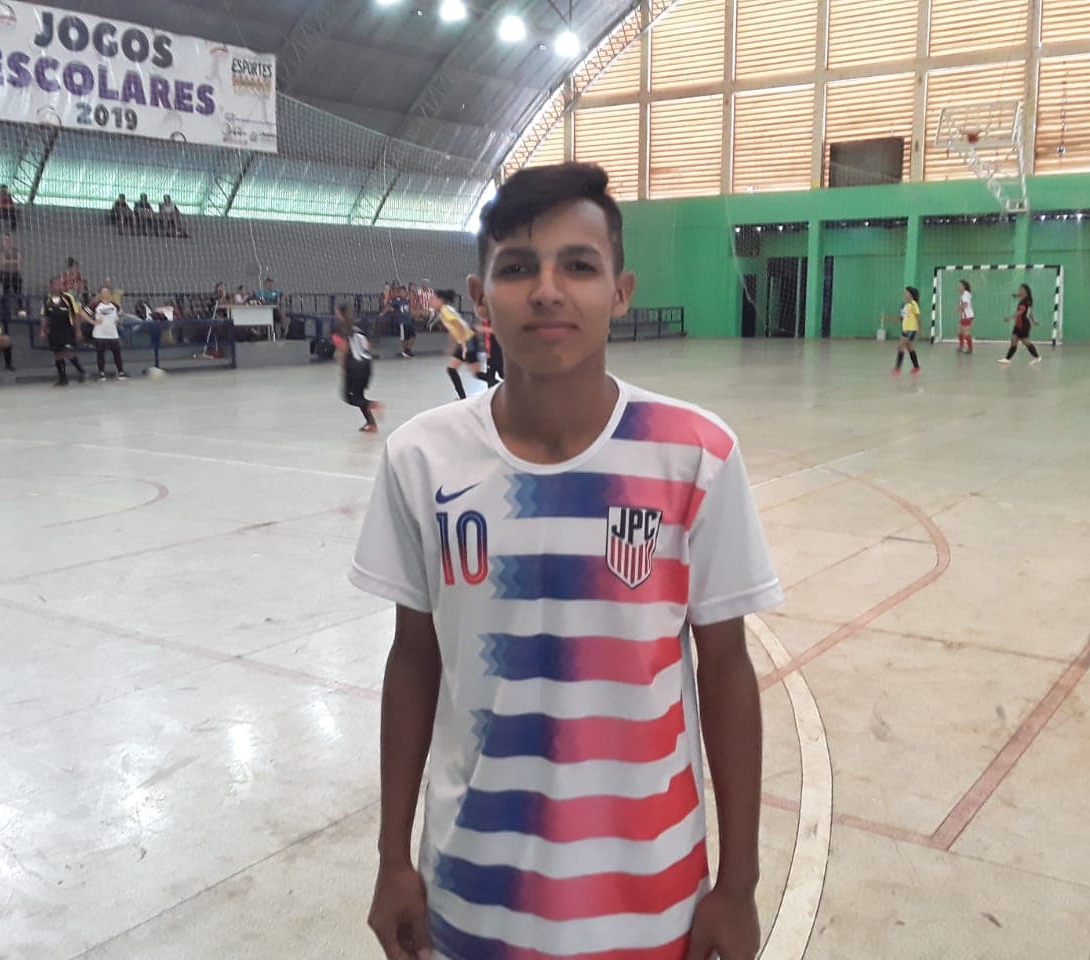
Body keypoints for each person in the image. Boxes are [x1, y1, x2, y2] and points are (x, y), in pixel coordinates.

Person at [351, 162, 782, 960]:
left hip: (653, 902)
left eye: (578, 266)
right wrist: (390, 859)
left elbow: (726, 669)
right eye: (518, 268)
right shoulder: (421, 458)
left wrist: (739, 884)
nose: (547, 291)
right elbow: (414, 658)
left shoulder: (695, 454)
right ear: (480, 298)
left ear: (621, 291)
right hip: (473, 896)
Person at [332, 303, 382, 432]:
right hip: (366, 364)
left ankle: (372, 404)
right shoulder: (357, 328)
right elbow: (368, 345)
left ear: (338, 313)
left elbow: (343, 348)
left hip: (354, 366)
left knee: (348, 397)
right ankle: (371, 423)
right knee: (359, 395)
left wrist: (343, 366)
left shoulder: (338, 328)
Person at [40, 275, 87, 386]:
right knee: (58, 354)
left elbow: (75, 314)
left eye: (61, 284)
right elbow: (44, 316)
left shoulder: (68, 298)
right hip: (54, 330)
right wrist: (42, 330)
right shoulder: (47, 300)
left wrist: (78, 330)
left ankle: (81, 370)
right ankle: (63, 379)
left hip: (67, 329)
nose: (60, 286)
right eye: (57, 284)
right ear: (51, 286)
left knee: (67, 352)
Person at [435, 288, 481, 400]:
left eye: (433, 298)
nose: (430, 301)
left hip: (468, 341)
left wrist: (463, 345)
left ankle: (502, 386)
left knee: (476, 373)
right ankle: (462, 398)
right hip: (467, 340)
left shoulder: (445, 310)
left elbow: (459, 326)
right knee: (452, 370)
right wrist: (451, 347)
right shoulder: (446, 310)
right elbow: (453, 330)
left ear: (440, 300)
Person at [89, 284, 128, 380]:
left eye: (107, 292)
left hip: (112, 333)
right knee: (100, 354)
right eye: (103, 292)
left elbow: (122, 314)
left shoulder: (114, 305)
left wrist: (119, 320)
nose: (105, 294)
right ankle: (101, 373)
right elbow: (83, 313)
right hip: (100, 333)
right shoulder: (96, 304)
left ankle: (121, 372)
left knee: (117, 353)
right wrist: (93, 321)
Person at [999, 283, 1042, 366]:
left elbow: (1020, 312)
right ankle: (1007, 359)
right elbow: (1030, 313)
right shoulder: (1028, 299)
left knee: (1025, 341)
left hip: (1023, 324)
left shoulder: (1025, 301)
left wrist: (1009, 318)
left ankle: (1037, 357)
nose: (1019, 291)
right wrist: (1033, 321)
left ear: (1025, 291)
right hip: (1019, 324)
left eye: (1020, 289)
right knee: (1014, 340)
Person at [889, 285, 922, 376]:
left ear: (911, 295)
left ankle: (897, 368)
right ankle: (916, 367)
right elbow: (901, 318)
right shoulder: (905, 305)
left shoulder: (914, 304)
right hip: (905, 329)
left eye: (906, 293)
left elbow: (918, 317)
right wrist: (888, 319)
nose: (904, 294)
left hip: (911, 329)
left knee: (900, 347)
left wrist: (920, 330)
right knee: (909, 347)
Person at [383, 283, 414, 358]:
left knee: (413, 336)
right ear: (399, 293)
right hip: (402, 322)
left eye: (404, 292)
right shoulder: (397, 300)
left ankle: (408, 349)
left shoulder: (407, 300)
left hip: (409, 321)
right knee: (404, 338)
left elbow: (410, 307)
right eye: (401, 292)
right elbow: (388, 306)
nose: (403, 293)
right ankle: (404, 351)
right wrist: (383, 313)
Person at [956, 279, 975, 354]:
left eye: (960, 285)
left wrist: (958, 308)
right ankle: (961, 346)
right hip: (965, 316)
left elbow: (965, 304)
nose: (958, 287)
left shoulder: (965, 294)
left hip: (967, 316)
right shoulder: (966, 294)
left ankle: (970, 349)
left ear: (964, 286)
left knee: (966, 332)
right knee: (960, 332)